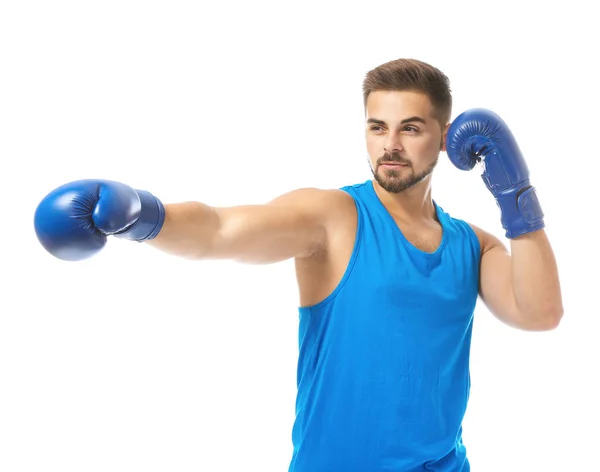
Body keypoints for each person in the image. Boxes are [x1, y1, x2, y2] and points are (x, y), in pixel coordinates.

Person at [33, 58, 563, 471]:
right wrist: (144, 216)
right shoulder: (334, 216)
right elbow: (222, 228)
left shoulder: (476, 245)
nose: (391, 146)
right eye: (377, 127)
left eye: (411, 128)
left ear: (446, 140)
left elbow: (540, 314)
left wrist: (517, 196)